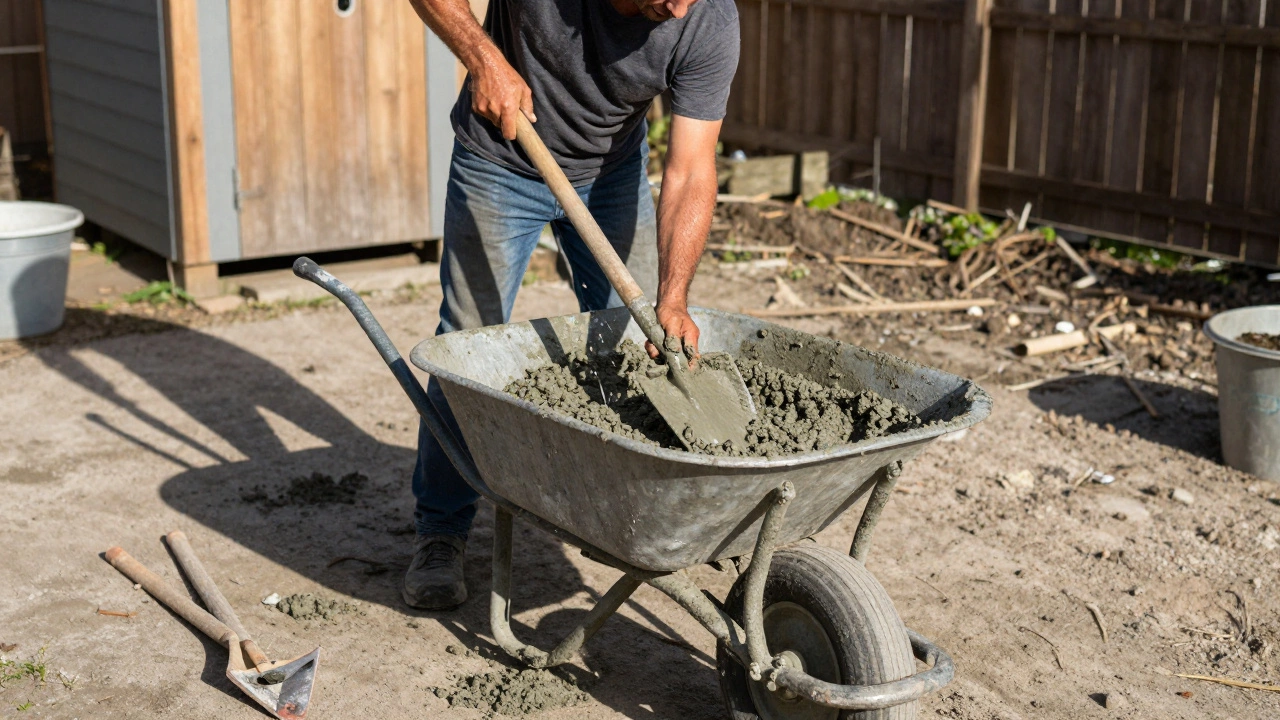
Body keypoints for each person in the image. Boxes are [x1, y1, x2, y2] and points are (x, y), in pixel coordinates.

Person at [402, 0, 740, 609]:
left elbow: (691, 168)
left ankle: (614, 515)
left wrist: (673, 295)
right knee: (465, 345)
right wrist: (482, 56)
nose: (677, 7)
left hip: (611, 173)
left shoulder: (707, 17)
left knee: (636, 342)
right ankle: (441, 531)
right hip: (499, 162)